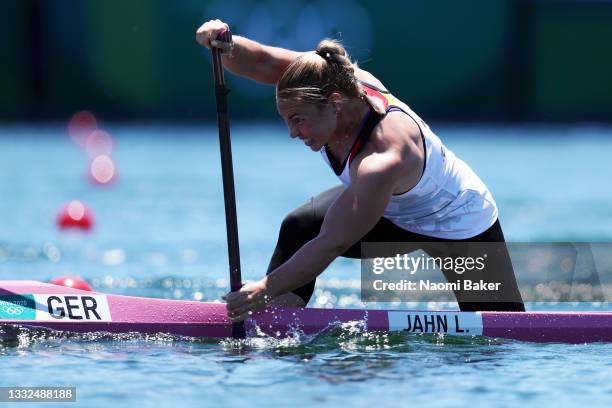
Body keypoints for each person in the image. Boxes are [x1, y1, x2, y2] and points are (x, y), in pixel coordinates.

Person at [196, 19, 525, 323]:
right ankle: (274, 325)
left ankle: (259, 303)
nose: (292, 133)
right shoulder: (321, 79)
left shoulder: (382, 158)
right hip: (391, 209)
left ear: (335, 104)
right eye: (286, 120)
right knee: (300, 227)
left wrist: (261, 288)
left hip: (459, 225)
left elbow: (332, 244)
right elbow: (263, 61)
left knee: (502, 334)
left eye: (298, 120)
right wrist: (226, 44)